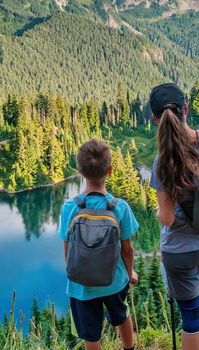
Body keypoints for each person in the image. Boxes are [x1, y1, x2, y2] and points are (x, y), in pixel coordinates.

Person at [149, 78, 199, 350]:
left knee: (190, 313)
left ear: (157, 119)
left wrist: (157, 210)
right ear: (186, 109)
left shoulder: (162, 162)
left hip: (181, 252)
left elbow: (167, 218)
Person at [58, 139, 139, 350]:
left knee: (91, 335)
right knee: (122, 317)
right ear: (110, 170)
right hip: (114, 280)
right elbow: (127, 251)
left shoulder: (69, 207)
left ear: (79, 170)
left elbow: (68, 252)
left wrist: (76, 272)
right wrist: (129, 274)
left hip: (81, 286)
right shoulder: (120, 208)